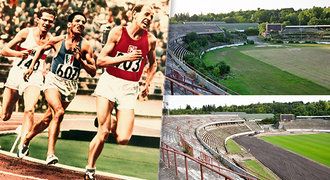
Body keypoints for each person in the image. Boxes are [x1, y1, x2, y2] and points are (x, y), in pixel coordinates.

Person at [84, 4, 157, 180]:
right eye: (146, 14)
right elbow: (100, 61)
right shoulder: (117, 32)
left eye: (152, 17)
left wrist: (147, 83)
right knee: (103, 132)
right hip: (109, 83)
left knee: (123, 138)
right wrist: (124, 57)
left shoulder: (150, 40)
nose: (148, 18)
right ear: (134, 14)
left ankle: (114, 119)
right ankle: (90, 169)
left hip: (129, 88)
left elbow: (153, 64)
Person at [19, 12, 96, 165]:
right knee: (59, 111)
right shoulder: (57, 41)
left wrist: (81, 60)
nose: (81, 23)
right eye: (77, 21)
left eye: (83, 22)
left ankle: (26, 139)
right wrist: (31, 67)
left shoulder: (86, 45)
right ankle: (50, 154)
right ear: (69, 24)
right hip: (53, 81)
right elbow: (41, 49)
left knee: (48, 118)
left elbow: (93, 71)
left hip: (70, 85)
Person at [0, 8, 56, 149]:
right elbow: (4, 50)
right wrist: (18, 54)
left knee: (29, 109)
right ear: (38, 19)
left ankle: (23, 144)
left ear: (53, 23)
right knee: (5, 115)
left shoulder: (51, 40)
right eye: (44, 19)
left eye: (50, 21)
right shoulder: (26, 32)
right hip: (17, 73)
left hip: (34, 77)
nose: (47, 23)